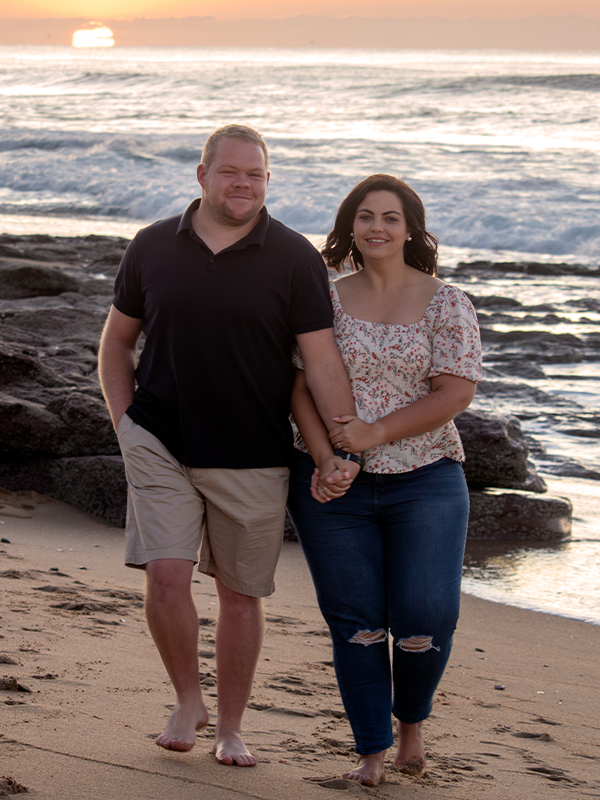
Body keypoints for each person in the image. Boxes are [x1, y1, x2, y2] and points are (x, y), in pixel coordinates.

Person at [98, 124, 359, 767]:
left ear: (268, 180)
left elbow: (320, 361)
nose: (244, 184)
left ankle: (231, 726)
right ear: (202, 175)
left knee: (242, 594)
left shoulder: (295, 257)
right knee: (165, 575)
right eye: (231, 172)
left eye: (257, 174)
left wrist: (343, 443)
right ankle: (188, 699)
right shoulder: (153, 245)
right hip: (158, 438)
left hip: (254, 450)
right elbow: (116, 343)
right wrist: (124, 422)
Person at [287, 174, 482, 786]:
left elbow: (456, 392)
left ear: (410, 229)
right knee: (358, 624)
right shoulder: (324, 297)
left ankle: (411, 722)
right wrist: (325, 458)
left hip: (426, 477)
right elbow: (299, 385)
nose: (376, 227)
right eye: (365, 216)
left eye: (390, 218)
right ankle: (371, 751)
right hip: (333, 486)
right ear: (350, 226)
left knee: (427, 617)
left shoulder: (447, 301)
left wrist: (374, 435)